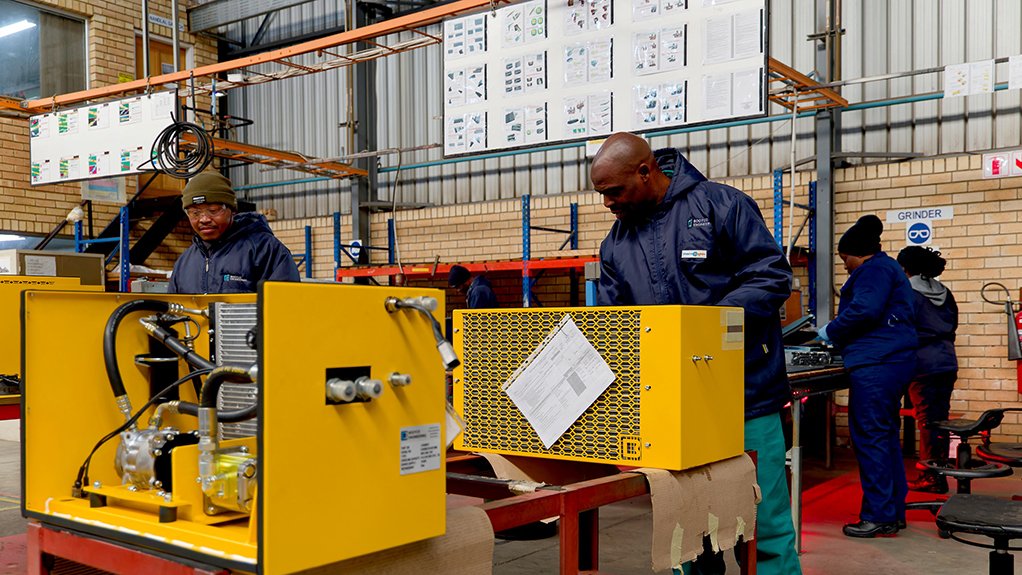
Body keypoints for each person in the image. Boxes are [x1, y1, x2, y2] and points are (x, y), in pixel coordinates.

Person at [592, 132, 800, 575]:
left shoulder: (722, 206)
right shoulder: (615, 245)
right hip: (674, 411)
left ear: (646, 172)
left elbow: (770, 277)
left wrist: (703, 329)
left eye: (613, 191)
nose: (607, 203)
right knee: (686, 534)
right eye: (601, 194)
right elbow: (615, 325)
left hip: (746, 397)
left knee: (765, 528)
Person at [817, 215, 917, 537]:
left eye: (845, 260)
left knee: (871, 437)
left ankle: (878, 515)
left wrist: (830, 331)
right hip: (893, 361)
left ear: (857, 254)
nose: (845, 266)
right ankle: (892, 511)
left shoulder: (872, 270)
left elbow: (864, 310)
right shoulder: (889, 268)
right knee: (885, 437)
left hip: (877, 364)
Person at [168, 171, 301, 294]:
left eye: (213, 210)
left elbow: (286, 304)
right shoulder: (184, 262)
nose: (204, 219)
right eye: (195, 213)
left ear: (232, 210)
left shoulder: (265, 250)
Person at [897, 246, 958, 494]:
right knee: (938, 420)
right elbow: (952, 324)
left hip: (922, 363)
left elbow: (901, 326)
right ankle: (937, 471)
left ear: (905, 267)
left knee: (927, 422)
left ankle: (932, 477)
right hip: (946, 360)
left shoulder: (908, 292)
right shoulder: (945, 292)